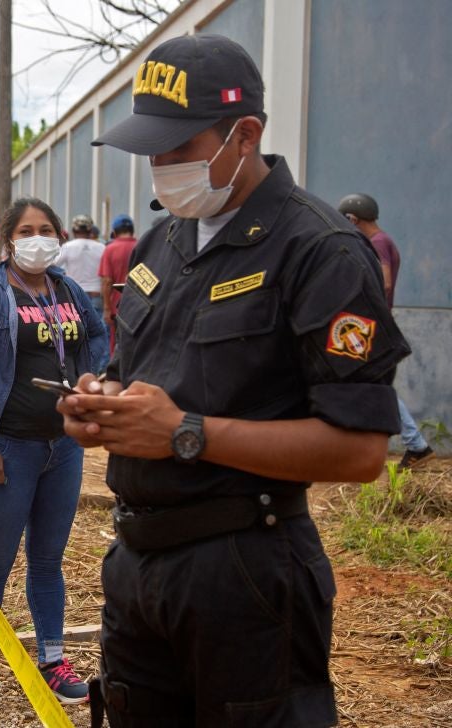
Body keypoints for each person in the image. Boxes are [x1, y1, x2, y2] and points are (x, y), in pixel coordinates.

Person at [58, 34, 409, 727]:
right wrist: (101, 405)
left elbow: (361, 451)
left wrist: (185, 434)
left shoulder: (319, 250)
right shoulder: (166, 241)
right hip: (137, 566)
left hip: (246, 572)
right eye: (149, 150)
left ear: (244, 135)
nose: (159, 168)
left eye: (177, 149)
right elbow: (141, 376)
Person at [0, 197, 108, 721]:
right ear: (8, 239)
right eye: (27, 230)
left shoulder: (67, 291)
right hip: (9, 447)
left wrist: (95, 383)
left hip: (60, 448)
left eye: (47, 229)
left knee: (47, 560)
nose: (39, 238)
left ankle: (53, 659)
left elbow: (98, 336)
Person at [339, 192, 435, 472]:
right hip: (375, 322)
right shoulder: (384, 240)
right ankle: (411, 445)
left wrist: (360, 306)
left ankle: (416, 445)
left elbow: (385, 281)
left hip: (371, 324)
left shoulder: (377, 242)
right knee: (366, 382)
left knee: (371, 383)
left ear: (352, 219)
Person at [57, 213, 108, 370]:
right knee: (98, 334)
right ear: (91, 229)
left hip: (73, 296)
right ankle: (96, 368)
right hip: (96, 295)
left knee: (74, 332)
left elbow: (52, 265)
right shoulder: (101, 247)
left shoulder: (67, 247)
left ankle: (76, 367)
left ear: (73, 229)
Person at [98, 215, 138, 357]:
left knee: (116, 347)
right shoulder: (141, 246)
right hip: (139, 308)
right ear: (132, 231)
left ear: (114, 233)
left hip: (118, 307)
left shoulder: (110, 249)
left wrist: (107, 308)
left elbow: (107, 281)